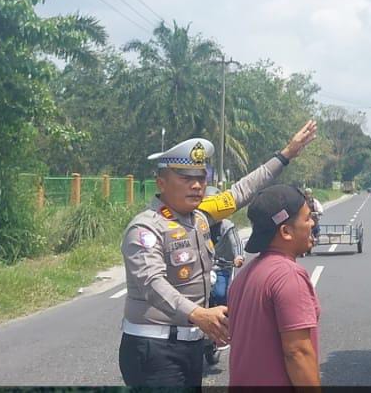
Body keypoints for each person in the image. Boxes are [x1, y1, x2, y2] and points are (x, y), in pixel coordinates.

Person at [118, 119, 318, 387]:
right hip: (153, 346)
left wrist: (285, 155)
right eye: (186, 178)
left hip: (191, 346)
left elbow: (242, 191)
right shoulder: (146, 227)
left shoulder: (201, 216)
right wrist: (199, 314)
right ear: (161, 183)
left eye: (201, 178)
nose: (197, 186)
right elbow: (151, 284)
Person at [228, 184, 321, 387]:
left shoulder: (245, 275)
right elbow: (297, 353)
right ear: (286, 231)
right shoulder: (289, 276)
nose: (312, 223)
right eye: (307, 218)